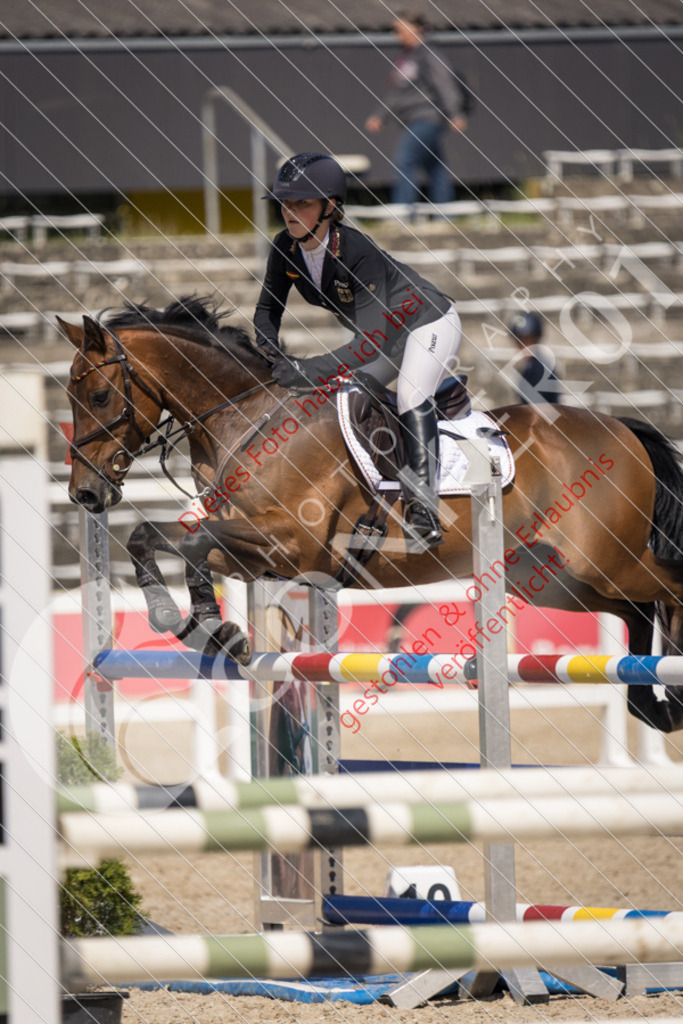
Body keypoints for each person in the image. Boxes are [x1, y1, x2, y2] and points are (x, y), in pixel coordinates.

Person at [254, 151, 463, 551]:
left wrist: (310, 368)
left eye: (302, 203)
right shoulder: (285, 248)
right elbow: (266, 311)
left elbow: (367, 343)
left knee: (410, 394)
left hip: (427, 322)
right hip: (385, 338)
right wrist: (272, 357)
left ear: (331, 207)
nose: (289, 212)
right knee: (346, 399)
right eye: (285, 203)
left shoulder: (355, 251)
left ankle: (423, 508)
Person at [365, 12, 472, 206]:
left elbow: (445, 84)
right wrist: (380, 116)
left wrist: (456, 113)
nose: (396, 34)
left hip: (429, 117)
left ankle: (403, 211)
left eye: (400, 29)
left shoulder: (429, 54)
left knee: (404, 160)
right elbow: (397, 93)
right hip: (411, 118)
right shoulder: (405, 58)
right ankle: (443, 211)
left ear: (416, 28)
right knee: (434, 166)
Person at [508, 312, 561, 405]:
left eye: (528, 340)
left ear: (537, 340)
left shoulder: (541, 370)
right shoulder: (529, 367)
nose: (524, 346)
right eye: (520, 341)